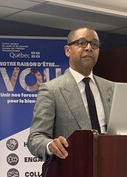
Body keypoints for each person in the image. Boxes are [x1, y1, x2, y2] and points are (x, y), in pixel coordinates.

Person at [27, 27, 115, 160]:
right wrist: (50, 145)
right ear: (67, 50)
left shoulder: (111, 88)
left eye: (95, 44)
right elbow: (35, 138)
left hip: (112, 166)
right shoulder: (51, 90)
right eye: (82, 43)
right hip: (73, 169)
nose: (89, 48)